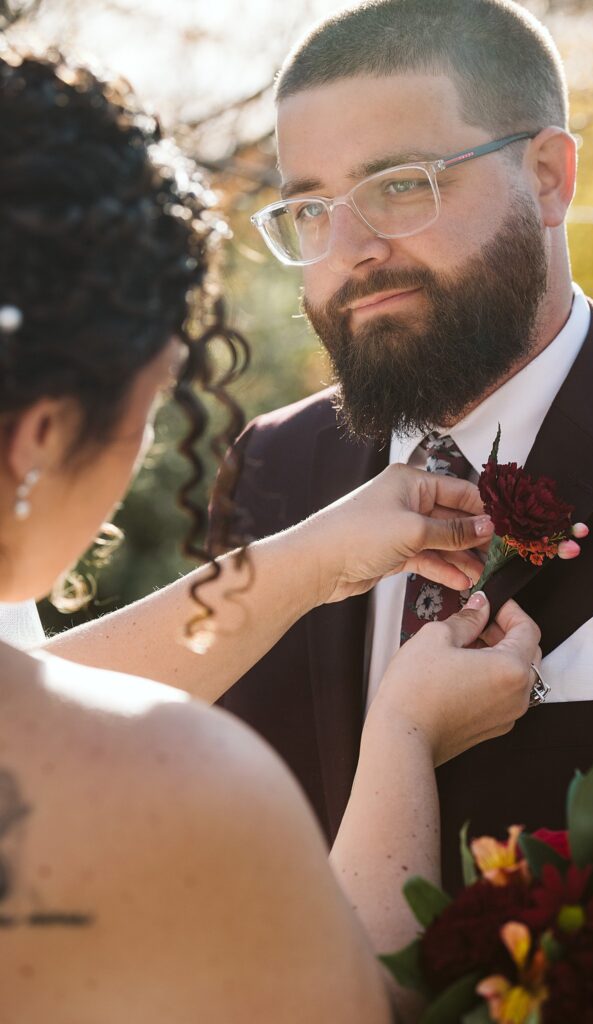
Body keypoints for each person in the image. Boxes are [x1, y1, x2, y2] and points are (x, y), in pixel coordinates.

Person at [0, 49, 543, 1022]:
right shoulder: (188, 786)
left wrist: (304, 559)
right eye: (155, 400)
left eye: (403, 186)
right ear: (41, 432)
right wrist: (402, 734)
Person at [207, 0, 593, 891]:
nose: (349, 249)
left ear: (547, 176)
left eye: (400, 185)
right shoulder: (269, 467)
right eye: (309, 207)